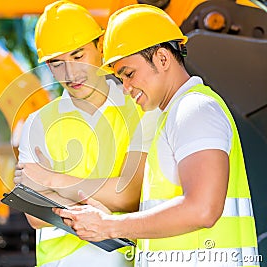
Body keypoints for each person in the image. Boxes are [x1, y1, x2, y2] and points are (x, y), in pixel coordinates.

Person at [54, 4, 259, 267]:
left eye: (129, 74)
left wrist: (111, 226)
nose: (126, 88)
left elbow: (203, 209)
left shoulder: (194, 110)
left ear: (163, 59)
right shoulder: (174, 116)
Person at [14, 1, 160, 266]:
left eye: (78, 56)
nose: (70, 73)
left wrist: (52, 180)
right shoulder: (38, 123)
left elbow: (129, 196)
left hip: (125, 258)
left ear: (100, 47)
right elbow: (35, 214)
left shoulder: (140, 108)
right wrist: (101, 201)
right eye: (57, 63)